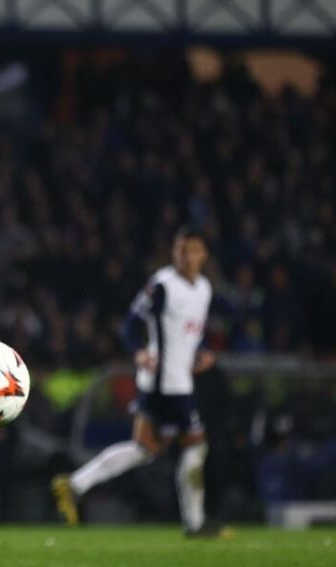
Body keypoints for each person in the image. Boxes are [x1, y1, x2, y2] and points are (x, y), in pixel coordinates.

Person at [52, 227, 223, 537]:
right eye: (180, 250)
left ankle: (75, 484)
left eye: (192, 250)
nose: (185, 256)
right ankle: (195, 524)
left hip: (178, 378)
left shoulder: (204, 290)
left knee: (145, 448)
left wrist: (202, 353)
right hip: (165, 382)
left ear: (204, 254)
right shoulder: (163, 286)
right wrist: (139, 351)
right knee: (196, 446)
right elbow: (130, 324)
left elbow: (187, 334)